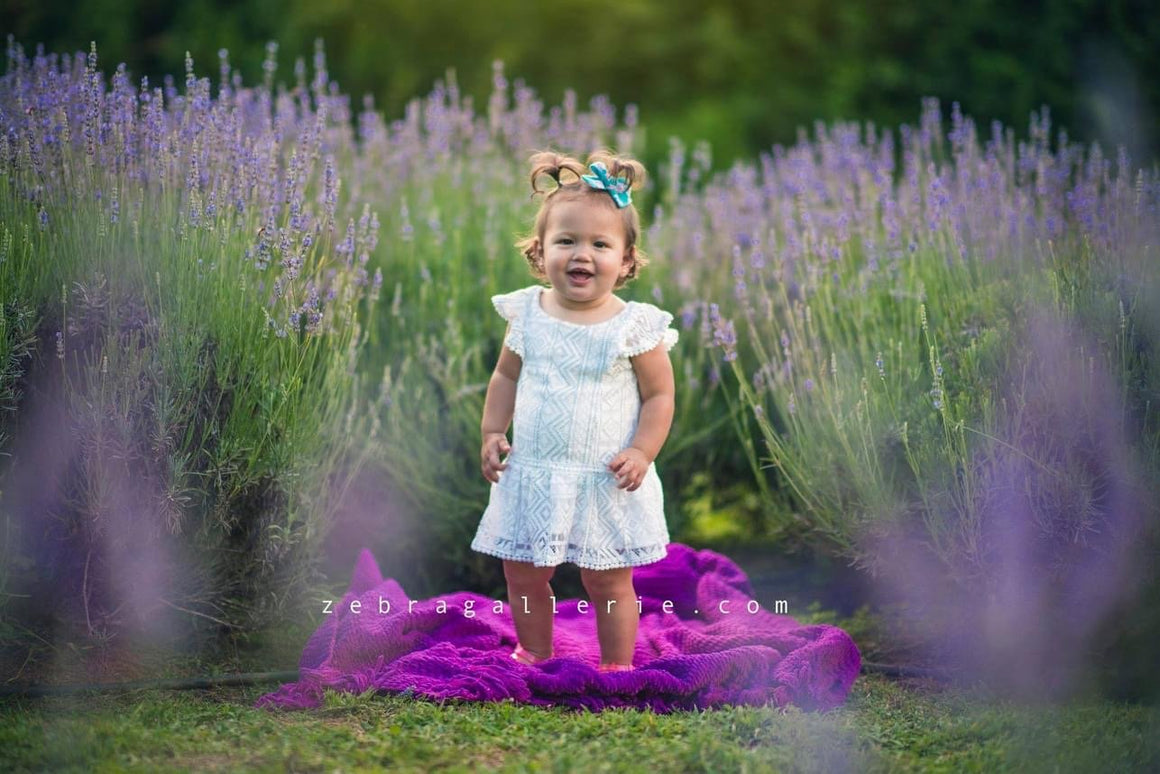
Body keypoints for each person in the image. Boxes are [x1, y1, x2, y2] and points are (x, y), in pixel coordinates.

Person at [471, 149, 679, 673]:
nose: (580, 253)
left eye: (599, 244)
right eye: (566, 240)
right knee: (521, 570)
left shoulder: (633, 326)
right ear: (540, 253)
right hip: (535, 473)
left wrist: (642, 450)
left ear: (626, 260)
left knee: (606, 579)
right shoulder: (527, 313)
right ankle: (534, 649)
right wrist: (493, 431)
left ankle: (616, 664)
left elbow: (659, 396)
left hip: (603, 478)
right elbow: (506, 376)